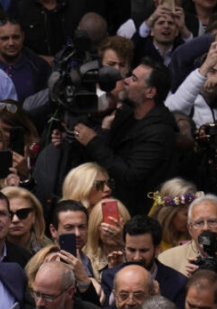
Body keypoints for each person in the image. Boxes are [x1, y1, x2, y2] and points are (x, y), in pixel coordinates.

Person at [72, 59, 178, 216]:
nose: (126, 81)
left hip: (136, 214)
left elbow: (129, 176)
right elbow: (108, 153)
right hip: (113, 201)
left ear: (150, 92)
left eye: (134, 79)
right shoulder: (126, 112)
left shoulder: (160, 131)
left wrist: (94, 141)